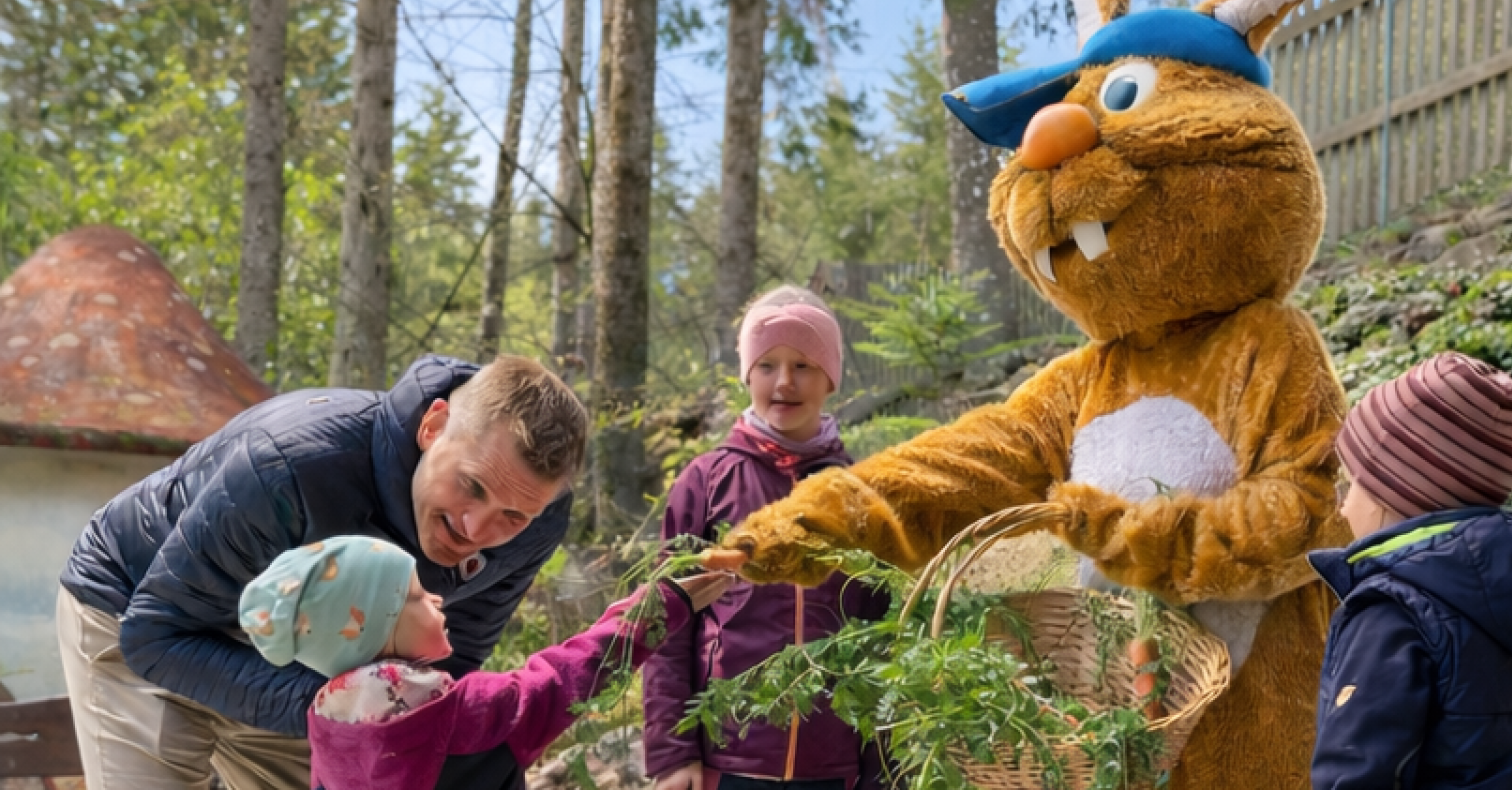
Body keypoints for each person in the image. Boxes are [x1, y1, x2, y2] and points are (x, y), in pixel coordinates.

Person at [57, 354, 589, 789]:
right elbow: (153, 636)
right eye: (471, 486)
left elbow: (453, 653)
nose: (476, 528)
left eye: (512, 515)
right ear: (434, 426)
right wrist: (338, 708)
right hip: (137, 611)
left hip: (306, 664)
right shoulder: (290, 464)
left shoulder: (537, 519)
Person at [236, 535, 735, 790]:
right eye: (414, 596)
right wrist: (658, 607)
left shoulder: (328, 727)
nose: (436, 599)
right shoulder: (462, 716)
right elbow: (569, 677)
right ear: (374, 629)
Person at [1309, 352, 1512, 790]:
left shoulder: (1392, 612)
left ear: (1395, 490)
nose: (1344, 506)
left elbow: (1354, 775)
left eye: (1352, 484)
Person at [644, 287, 890, 790]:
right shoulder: (706, 480)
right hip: (727, 761)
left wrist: (880, 770)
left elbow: (882, 635)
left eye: (803, 365)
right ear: (747, 375)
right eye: (767, 365)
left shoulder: (858, 492)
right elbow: (665, 621)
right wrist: (672, 754)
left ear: (830, 378)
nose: (784, 382)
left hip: (831, 766)